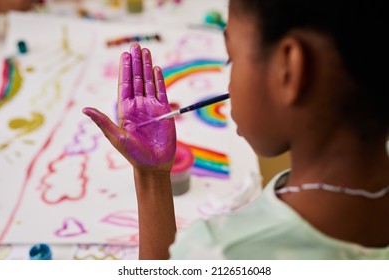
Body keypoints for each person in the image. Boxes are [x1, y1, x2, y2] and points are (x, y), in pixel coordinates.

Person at [83, 0, 389, 259]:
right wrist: (154, 175)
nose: (228, 82)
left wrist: (150, 179)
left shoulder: (223, 251)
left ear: (289, 69)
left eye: (233, 57)